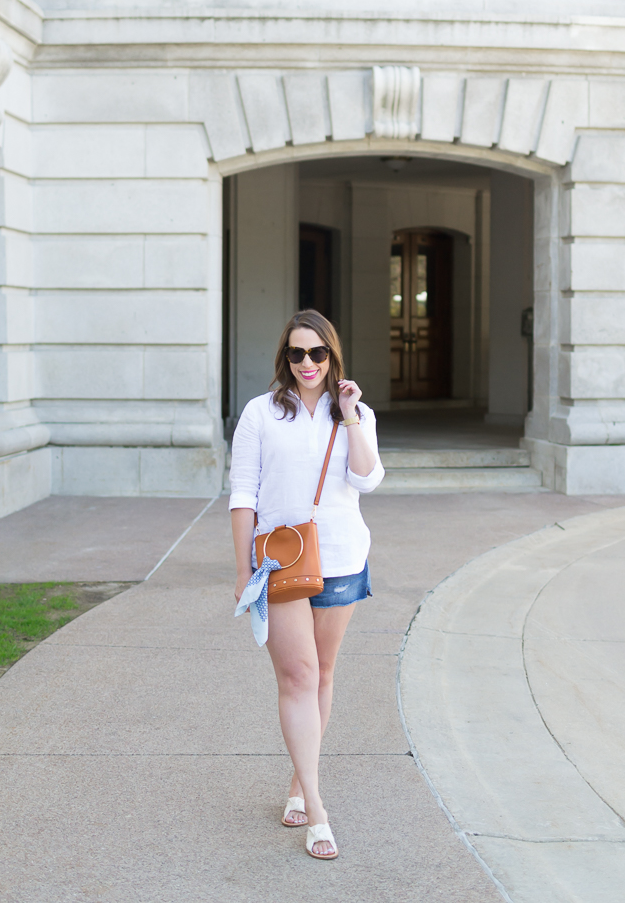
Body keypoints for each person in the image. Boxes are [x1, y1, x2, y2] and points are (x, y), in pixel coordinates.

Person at [229, 309, 385, 860]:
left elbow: (367, 478)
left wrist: (350, 416)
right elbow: (243, 491)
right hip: (280, 564)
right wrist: (245, 569)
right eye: (297, 354)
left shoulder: (355, 413)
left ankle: (299, 781)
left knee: (321, 672)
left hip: (343, 556)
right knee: (296, 676)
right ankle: (317, 809)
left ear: (332, 356)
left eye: (317, 353)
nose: (307, 363)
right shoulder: (261, 413)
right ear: (285, 359)